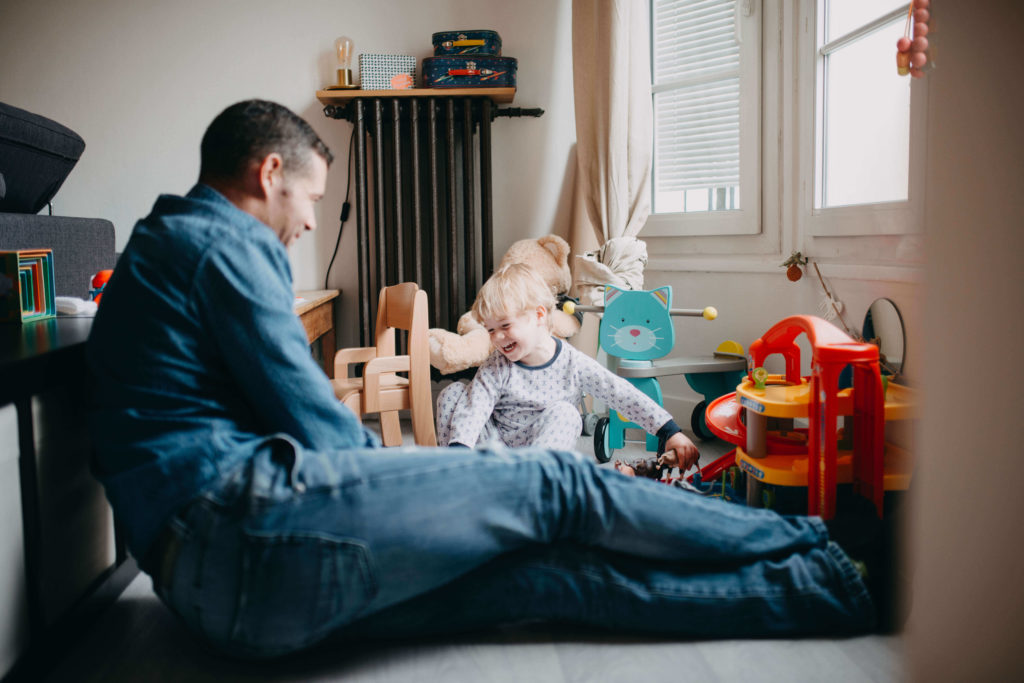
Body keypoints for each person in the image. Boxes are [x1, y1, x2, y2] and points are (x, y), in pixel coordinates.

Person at [87, 99, 879, 660]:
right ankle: (819, 545)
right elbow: (316, 427)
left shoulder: (157, 249)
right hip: (248, 532)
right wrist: (433, 479)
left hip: (210, 596)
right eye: (311, 201)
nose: (307, 224)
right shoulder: (219, 241)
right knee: (555, 490)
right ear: (268, 173)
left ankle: (822, 592)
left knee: (548, 579)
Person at [435, 263, 699, 472]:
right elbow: (475, 407)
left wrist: (669, 431)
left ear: (539, 316)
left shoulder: (574, 363)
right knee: (454, 394)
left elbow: (620, 393)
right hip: (494, 453)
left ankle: (535, 483)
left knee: (567, 413)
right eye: (491, 330)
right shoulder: (497, 365)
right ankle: (462, 475)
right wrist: (460, 449)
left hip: (541, 458)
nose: (498, 337)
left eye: (505, 326)